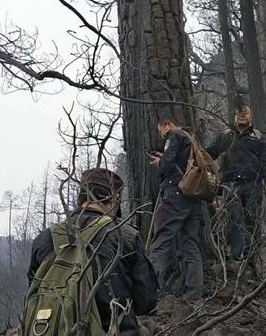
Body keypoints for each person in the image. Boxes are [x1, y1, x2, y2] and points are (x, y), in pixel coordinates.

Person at [27, 168, 158, 336]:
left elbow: (34, 293)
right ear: (114, 201)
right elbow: (146, 301)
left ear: (79, 199)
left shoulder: (44, 239)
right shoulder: (125, 235)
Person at [206, 104, 266, 262]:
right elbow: (209, 154)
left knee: (253, 220)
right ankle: (236, 256)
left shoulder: (258, 137)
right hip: (231, 185)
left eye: (246, 113)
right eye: (239, 114)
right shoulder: (225, 136)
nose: (242, 116)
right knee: (233, 219)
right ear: (234, 116)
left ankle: (251, 259)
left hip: (253, 184)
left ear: (251, 116)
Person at [147, 116, 204, 299]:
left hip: (175, 195)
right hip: (192, 196)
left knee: (161, 240)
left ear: (167, 124)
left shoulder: (174, 136)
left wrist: (160, 162)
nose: (161, 135)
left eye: (161, 130)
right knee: (190, 243)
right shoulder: (190, 139)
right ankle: (194, 292)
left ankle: (151, 292)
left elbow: (168, 163)